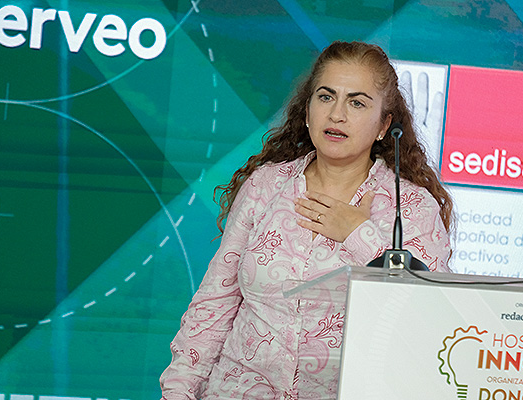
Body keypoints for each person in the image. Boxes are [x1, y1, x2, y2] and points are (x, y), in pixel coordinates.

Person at [159, 40, 453, 400]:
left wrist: (359, 235)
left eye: (357, 103)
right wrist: (177, 392)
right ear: (308, 110)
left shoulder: (411, 207)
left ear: (384, 125)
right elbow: (214, 304)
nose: (337, 115)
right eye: (326, 97)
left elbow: (429, 321)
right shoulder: (266, 185)